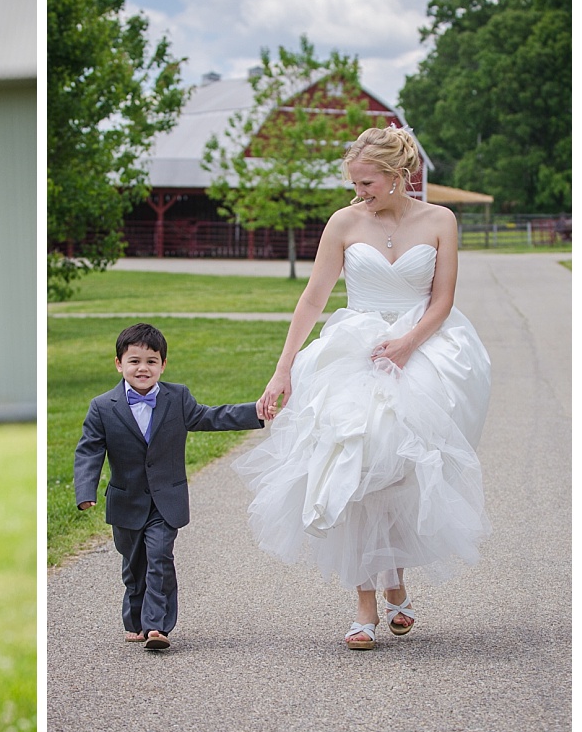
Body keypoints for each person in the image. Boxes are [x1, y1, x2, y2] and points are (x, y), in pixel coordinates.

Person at [232, 125, 492, 650]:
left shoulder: (440, 220)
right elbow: (312, 299)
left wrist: (408, 343)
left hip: (422, 349)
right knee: (350, 467)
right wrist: (282, 371)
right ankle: (364, 606)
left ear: (400, 175)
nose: (359, 192)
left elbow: (442, 300)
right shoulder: (344, 222)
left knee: (398, 475)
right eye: (354, 181)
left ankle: (395, 581)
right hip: (355, 350)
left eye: (368, 182)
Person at [74, 323, 264, 650]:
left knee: (160, 558)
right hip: (126, 502)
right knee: (134, 568)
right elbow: (90, 450)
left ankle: (157, 627)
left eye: (151, 361)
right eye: (134, 361)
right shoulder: (103, 407)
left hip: (166, 500)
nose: (143, 368)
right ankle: (134, 619)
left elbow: (211, 417)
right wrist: (85, 491)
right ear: (118, 363)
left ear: (163, 364)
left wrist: (256, 412)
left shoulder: (178, 397)